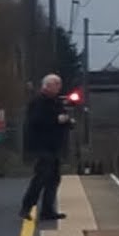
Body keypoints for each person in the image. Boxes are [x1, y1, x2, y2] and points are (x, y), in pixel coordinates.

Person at [19, 73, 74, 221]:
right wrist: (57, 120)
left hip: (54, 146)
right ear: (47, 86)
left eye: (59, 84)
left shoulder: (56, 102)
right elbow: (36, 121)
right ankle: (26, 207)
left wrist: (68, 122)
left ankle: (48, 210)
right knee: (41, 177)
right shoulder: (38, 102)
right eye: (56, 84)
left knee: (53, 178)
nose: (59, 87)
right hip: (41, 145)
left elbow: (62, 118)